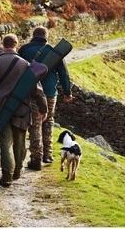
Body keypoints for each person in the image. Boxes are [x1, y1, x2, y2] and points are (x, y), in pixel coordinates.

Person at [0, 34, 47, 187]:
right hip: (22, 108)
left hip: (1, 108)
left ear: (3, 45)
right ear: (16, 44)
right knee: (20, 142)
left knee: (5, 142)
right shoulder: (27, 65)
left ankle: (7, 176)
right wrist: (43, 109)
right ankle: (17, 172)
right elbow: (37, 90)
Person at [18, 26, 73, 170]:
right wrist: (67, 91)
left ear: (33, 35)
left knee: (35, 123)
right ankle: (47, 155)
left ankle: (36, 158)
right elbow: (64, 74)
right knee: (48, 121)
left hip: (31, 92)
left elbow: (17, 69)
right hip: (49, 93)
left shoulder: (24, 50)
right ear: (46, 36)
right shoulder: (54, 52)